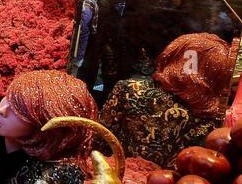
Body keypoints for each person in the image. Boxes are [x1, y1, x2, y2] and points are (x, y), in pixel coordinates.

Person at [99, 32, 234, 167]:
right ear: (216, 75)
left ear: (172, 55)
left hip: (117, 177)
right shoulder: (214, 117)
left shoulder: (129, 89)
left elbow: (100, 140)